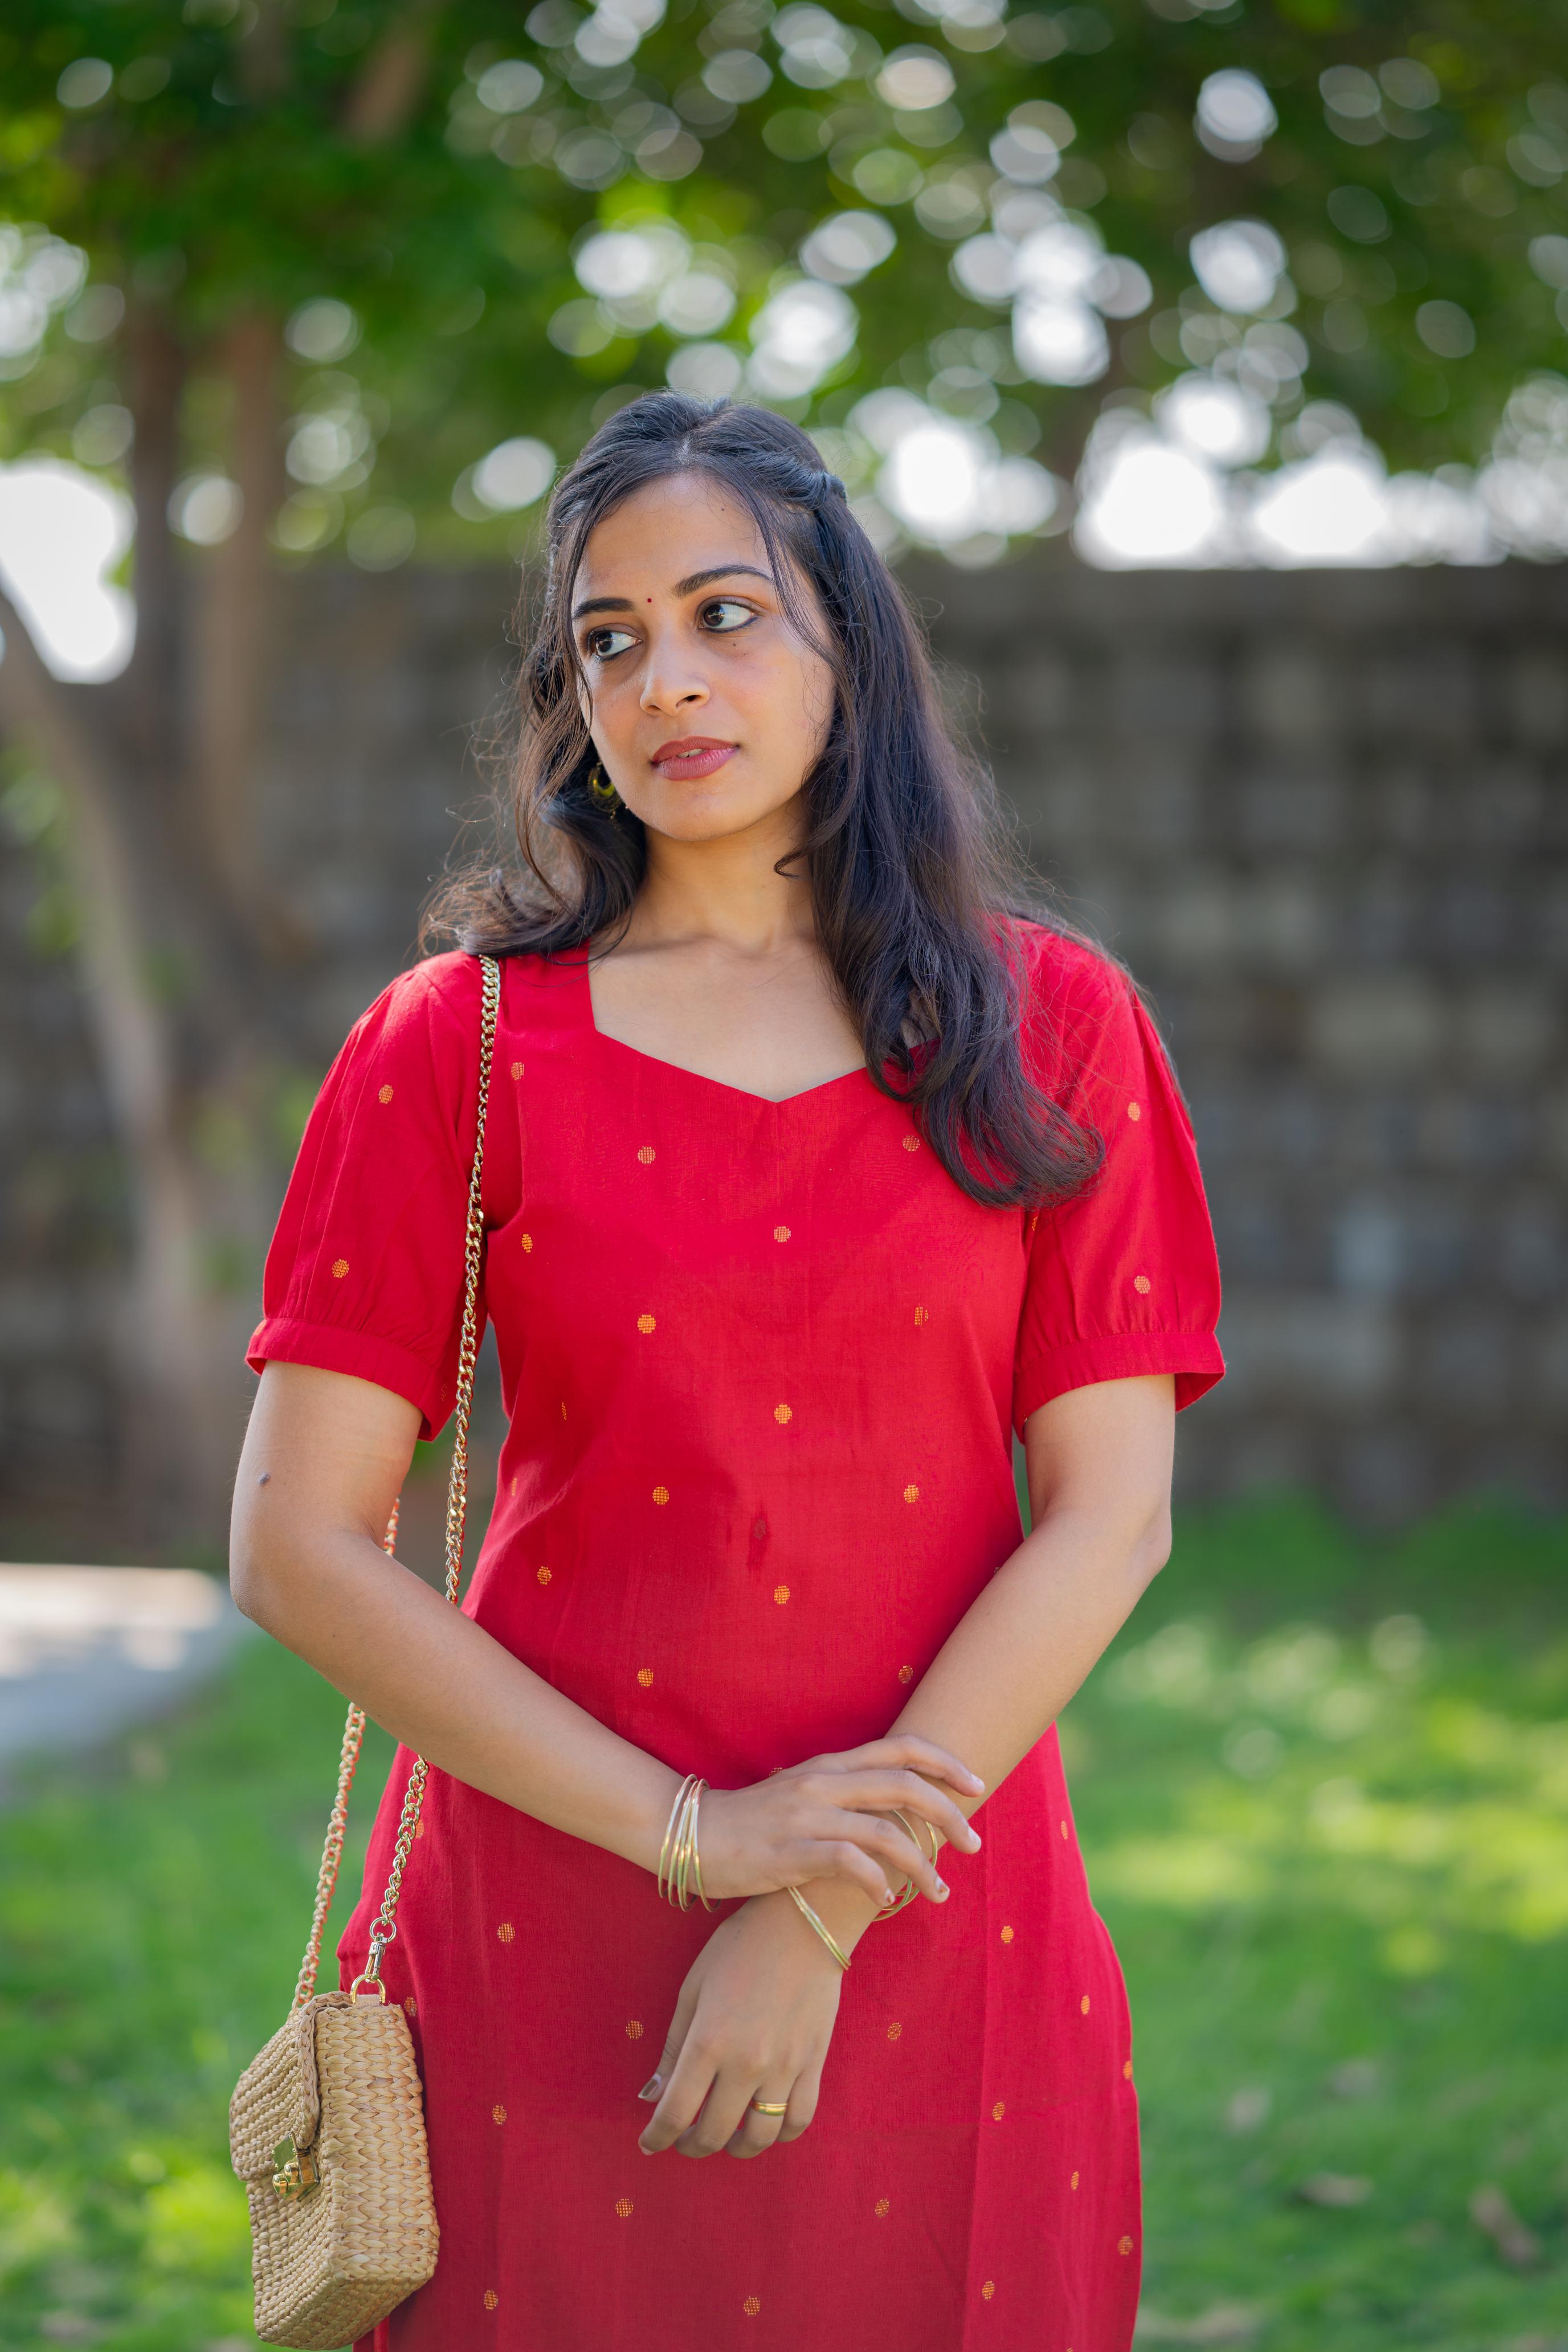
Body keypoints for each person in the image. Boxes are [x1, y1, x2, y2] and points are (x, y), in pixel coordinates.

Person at [230, 390, 1224, 2352]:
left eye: (724, 614)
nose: (667, 679)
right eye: (610, 640)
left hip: (935, 1920)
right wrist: (696, 1834)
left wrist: (815, 1899)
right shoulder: (462, 1047)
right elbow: (293, 1544)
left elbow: (1110, 1521)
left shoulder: (1054, 1025)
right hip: (538, 1912)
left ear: (846, 650)